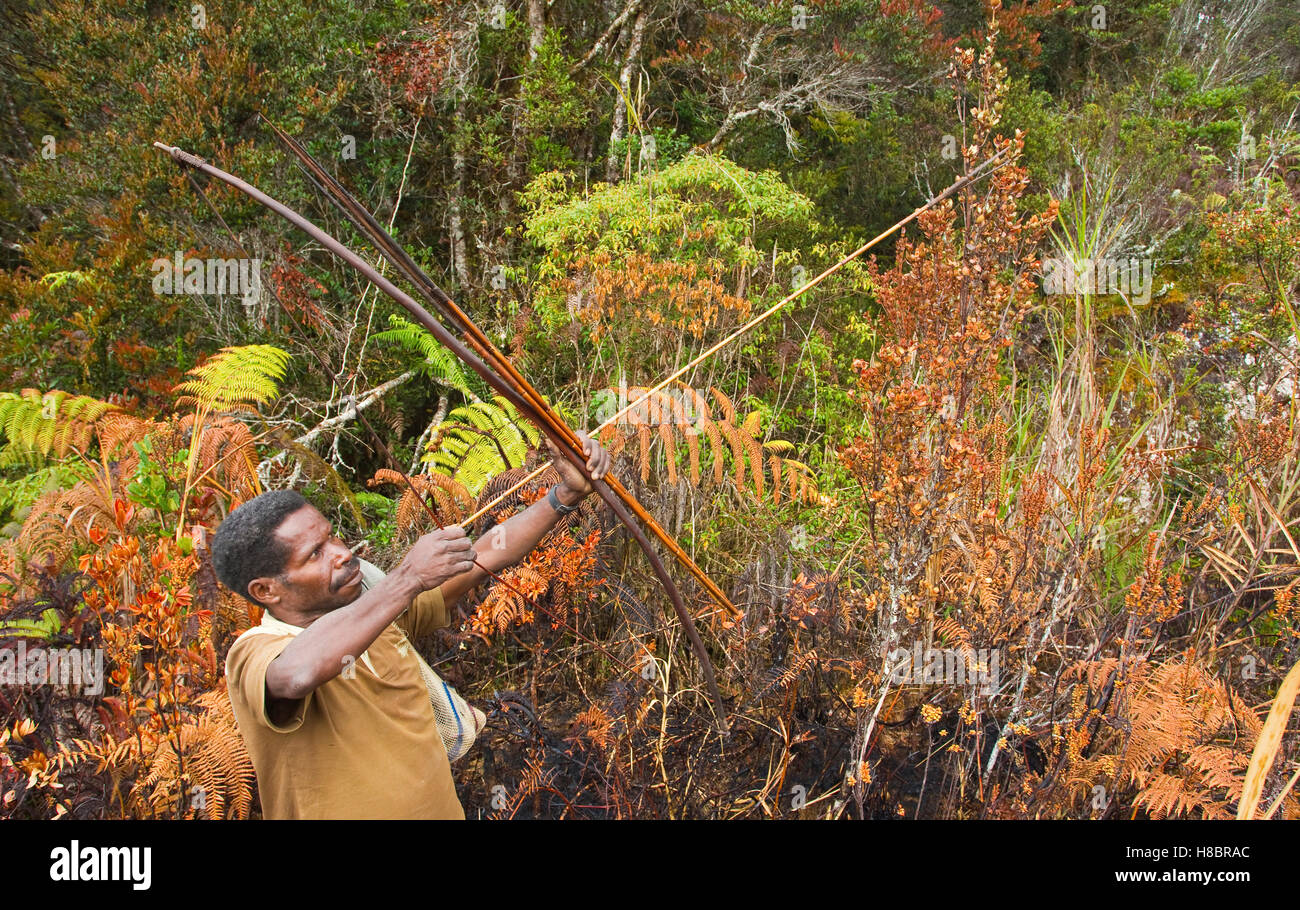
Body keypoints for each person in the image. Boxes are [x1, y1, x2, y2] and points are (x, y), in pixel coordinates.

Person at [213, 434, 611, 819]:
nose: (342, 553)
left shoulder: (375, 616)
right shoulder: (256, 650)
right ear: (265, 590)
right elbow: (296, 674)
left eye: (332, 537)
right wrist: (406, 579)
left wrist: (564, 495)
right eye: (315, 554)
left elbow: (485, 554)